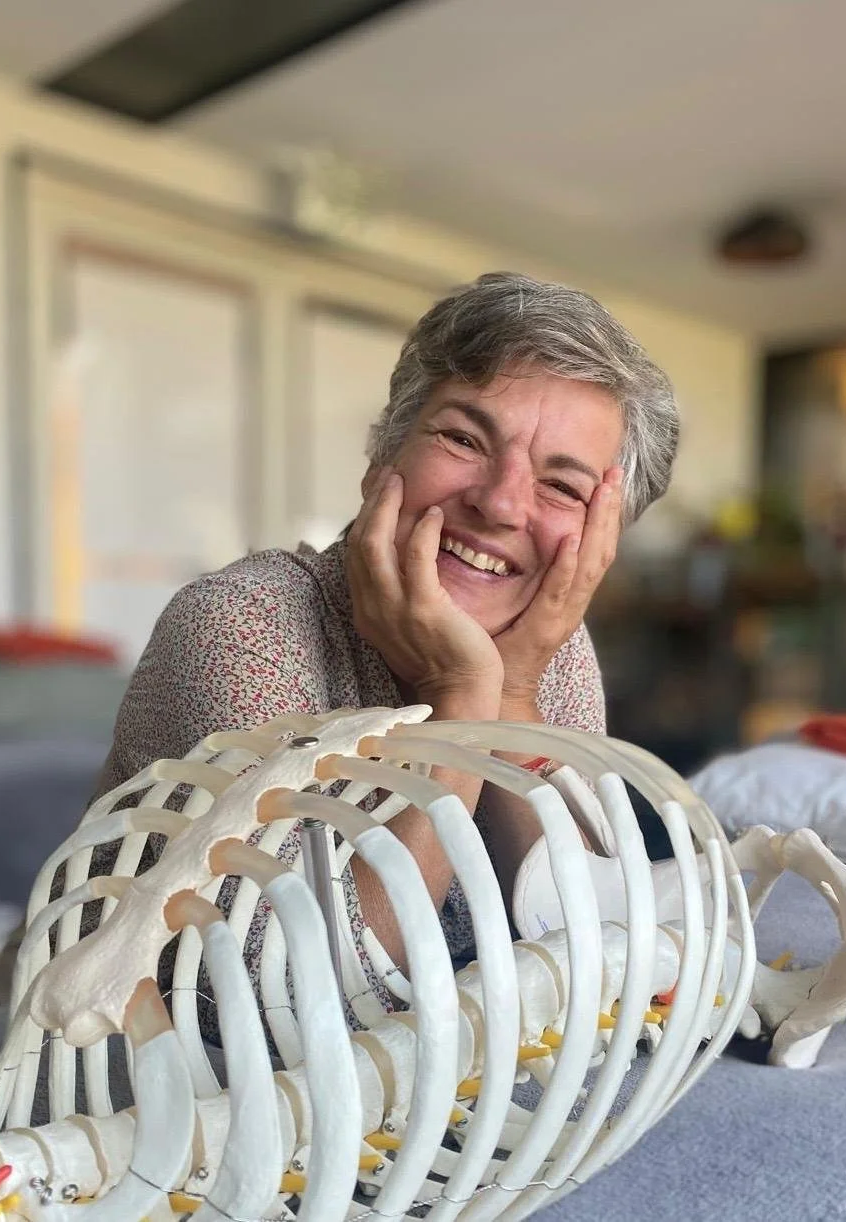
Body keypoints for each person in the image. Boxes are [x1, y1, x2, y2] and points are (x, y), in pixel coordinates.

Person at [94, 270, 679, 1032]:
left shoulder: (549, 647)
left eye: (562, 488)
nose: (501, 504)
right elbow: (304, 1006)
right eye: (464, 439)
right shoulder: (240, 624)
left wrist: (514, 694)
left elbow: (598, 954)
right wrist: (467, 696)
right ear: (382, 457)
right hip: (160, 1086)